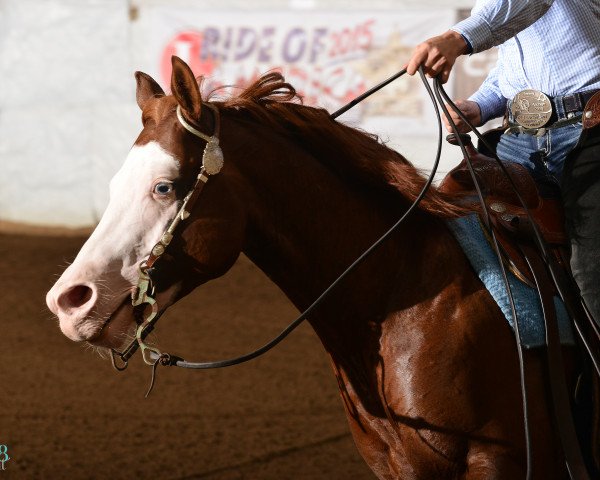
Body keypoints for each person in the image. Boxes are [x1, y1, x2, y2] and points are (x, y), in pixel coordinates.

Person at [406, 0, 600, 326]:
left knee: (592, 269)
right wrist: (479, 107)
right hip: (521, 138)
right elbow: (517, 67)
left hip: (591, 130)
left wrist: (456, 39)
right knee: (456, 230)